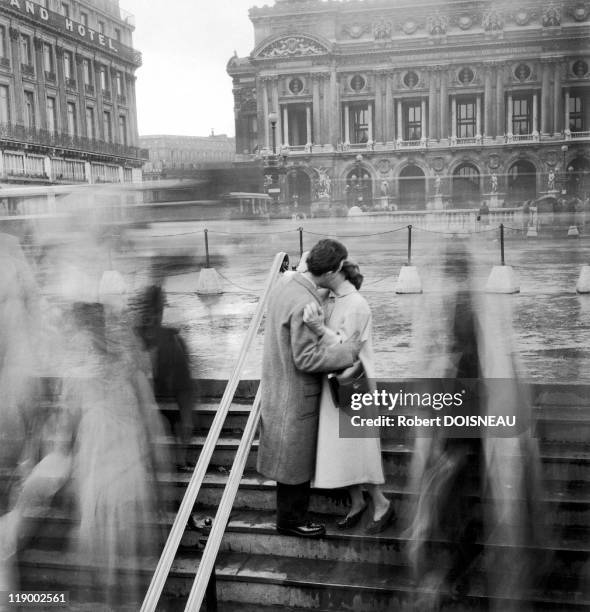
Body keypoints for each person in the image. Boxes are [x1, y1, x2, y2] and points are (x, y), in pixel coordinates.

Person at [258, 239, 362, 538]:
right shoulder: (307, 302)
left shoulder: (284, 288)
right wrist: (348, 352)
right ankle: (292, 521)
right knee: (294, 461)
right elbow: (306, 358)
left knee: (290, 457)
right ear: (334, 269)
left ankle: (290, 516)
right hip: (296, 394)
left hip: (279, 386)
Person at [302, 261, 395, 534]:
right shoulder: (332, 299)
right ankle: (357, 502)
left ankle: (381, 503)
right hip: (336, 383)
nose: (312, 276)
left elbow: (348, 348)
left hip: (354, 384)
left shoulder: (357, 304)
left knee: (359, 447)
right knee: (344, 448)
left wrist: (319, 329)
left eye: (316, 270)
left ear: (332, 272)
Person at [133, 285, 194, 470]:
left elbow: (183, 383)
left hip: (168, 395)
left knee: (181, 412)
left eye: (154, 312)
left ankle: (179, 456)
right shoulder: (137, 336)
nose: (151, 317)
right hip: (148, 398)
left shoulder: (171, 341)